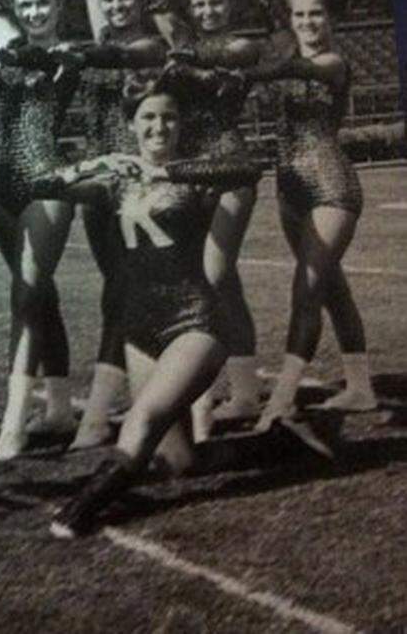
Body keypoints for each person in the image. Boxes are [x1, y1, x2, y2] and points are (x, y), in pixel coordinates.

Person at [25, 77, 327, 538]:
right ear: (131, 124)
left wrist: (167, 173)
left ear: (182, 124)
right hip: (141, 328)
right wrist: (84, 167)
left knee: (141, 419)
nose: (159, 126)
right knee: (176, 461)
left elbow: (245, 172)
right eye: (147, 117)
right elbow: (37, 182)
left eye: (168, 117)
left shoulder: (197, 175)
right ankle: (280, 440)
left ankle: (81, 508)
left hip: (196, 322)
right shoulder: (114, 180)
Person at [246, 0, 375, 429]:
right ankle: (360, 388)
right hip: (290, 190)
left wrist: (254, 68)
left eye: (316, 13)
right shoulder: (284, 50)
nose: (307, 22)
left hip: (332, 187)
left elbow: (296, 68)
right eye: (299, 14)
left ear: (332, 16)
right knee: (330, 289)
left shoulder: (333, 62)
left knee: (305, 289)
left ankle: (280, 400)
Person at [0, 0, 82, 460]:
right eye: (26, 4)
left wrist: (10, 44)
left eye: (42, 2)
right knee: (41, 297)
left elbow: (22, 48)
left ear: (58, 4)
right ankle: (60, 405)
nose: (34, 12)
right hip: (2, 185)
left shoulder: (66, 53)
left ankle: (15, 424)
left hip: (46, 180)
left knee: (26, 292)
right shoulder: (9, 37)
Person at [67, 0, 167, 450]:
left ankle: (100, 415)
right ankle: (134, 402)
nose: (115, 5)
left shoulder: (148, 43)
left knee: (128, 292)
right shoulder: (103, 31)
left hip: (136, 184)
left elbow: (108, 55)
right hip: (101, 187)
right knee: (119, 290)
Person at [155, 0, 263, 427]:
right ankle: (243, 391)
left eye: (216, 1)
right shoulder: (186, 39)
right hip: (193, 173)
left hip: (231, 169)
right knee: (222, 283)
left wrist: (181, 52)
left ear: (231, 1)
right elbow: (159, 5)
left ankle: (200, 394)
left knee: (211, 279)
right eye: (199, 4)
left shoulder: (242, 45)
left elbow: (213, 61)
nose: (209, 10)